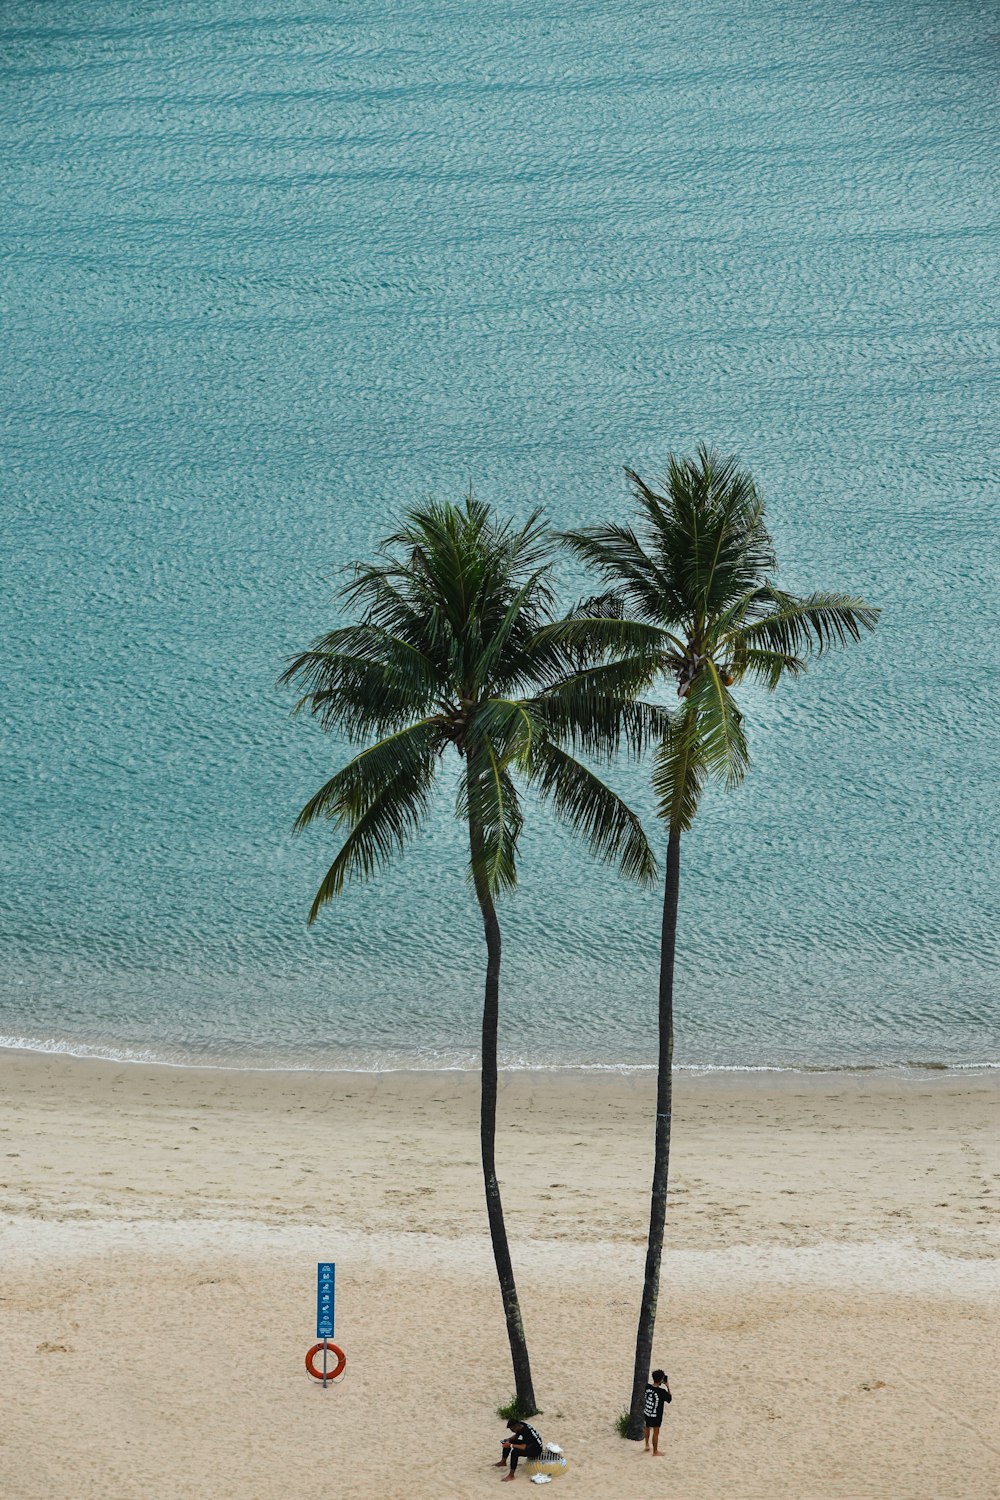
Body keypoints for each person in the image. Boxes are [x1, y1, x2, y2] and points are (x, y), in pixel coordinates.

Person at [643, 1367, 671, 1455]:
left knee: (647, 1427)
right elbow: (669, 1399)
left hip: (647, 1412)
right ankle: (655, 1451)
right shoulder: (661, 1391)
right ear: (661, 1380)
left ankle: (647, 1445)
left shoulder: (647, 1387)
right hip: (656, 1415)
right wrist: (667, 1385)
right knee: (656, 1432)